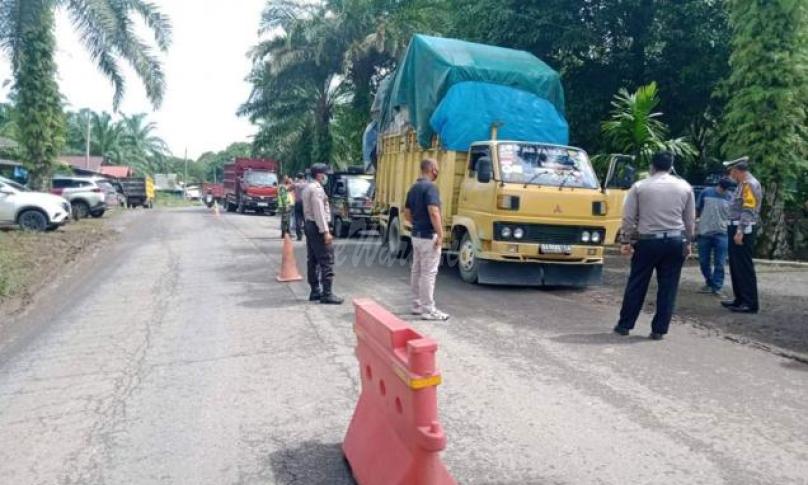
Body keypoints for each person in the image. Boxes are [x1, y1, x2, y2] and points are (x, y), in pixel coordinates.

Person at [613, 151, 695, 340]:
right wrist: (688, 241)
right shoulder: (684, 187)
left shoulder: (640, 186)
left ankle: (625, 325)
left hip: (648, 241)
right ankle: (659, 330)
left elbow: (628, 217)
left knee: (637, 283)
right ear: (671, 166)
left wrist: (626, 240)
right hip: (675, 241)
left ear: (652, 166)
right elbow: (689, 219)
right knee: (668, 286)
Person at [404, 159, 449, 321]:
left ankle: (416, 305)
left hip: (416, 235)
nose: (437, 171)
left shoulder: (413, 188)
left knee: (416, 271)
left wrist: (416, 224)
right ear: (430, 169)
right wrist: (441, 234)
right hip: (429, 237)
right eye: (436, 168)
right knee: (429, 274)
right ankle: (428, 310)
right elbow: (434, 212)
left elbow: (406, 213)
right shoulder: (431, 188)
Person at [721, 157, 763, 313]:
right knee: (736, 265)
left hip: (743, 229)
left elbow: (748, 209)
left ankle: (749, 302)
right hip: (736, 227)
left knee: (744, 266)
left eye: (731, 171)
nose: (730, 175)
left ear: (737, 171)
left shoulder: (749, 185)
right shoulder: (742, 185)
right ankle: (740, 299)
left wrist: (740, 230)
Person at [302, 163, 343, 305]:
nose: (327, 176)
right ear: (320, 175)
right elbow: (319, 212)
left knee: (312, 259)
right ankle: (327, 293)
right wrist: (326, 232)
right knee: (326, 260)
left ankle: (315, 290)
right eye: (325, 174)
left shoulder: (308, 187)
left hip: (309, 225)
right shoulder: (317, 190)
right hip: (317, 226)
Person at [696, 178, 734, 296]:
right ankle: (711, 282)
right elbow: (697, 209)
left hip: (722, 232)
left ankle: (716, 285)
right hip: (705, 232)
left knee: (720, 262)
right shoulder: (706, 193)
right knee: (703, 261)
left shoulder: (731, 197)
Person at [293, 172, 306, 241]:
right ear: (303, 177)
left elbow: (288, 189)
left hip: (298, 203)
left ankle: (299, 236)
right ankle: (308, 234)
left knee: (298, 219)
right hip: (305, 203)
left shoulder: (295, 184)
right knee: (306, 219)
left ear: (297, 177)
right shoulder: (306, 184)